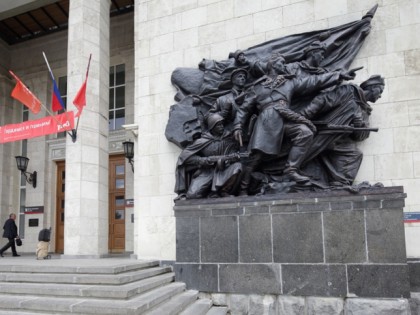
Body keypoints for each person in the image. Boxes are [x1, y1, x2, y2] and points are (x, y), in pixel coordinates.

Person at [233, 53, 356, 195]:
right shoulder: (258, 87)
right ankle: (243, 187)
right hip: (267, 122)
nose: (283, 65)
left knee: (305, 132)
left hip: (285, 118)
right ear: (272, 65)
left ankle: (291, 169)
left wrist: (338, 76)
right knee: (255, 158)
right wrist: (237, 126)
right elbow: (244, 109)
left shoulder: (289, 83)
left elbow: (313, 81)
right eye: (280, 62)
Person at [298, 75, 385, 186]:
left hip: (339, 139)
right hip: (325, 132)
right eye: (380, 91)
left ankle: (339, 183)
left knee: (355, 154)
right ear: (373, 87)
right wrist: (306, 114)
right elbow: (325, 99)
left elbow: (361, 136)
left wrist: (359, 125)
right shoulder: (349, 91)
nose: (380, 95)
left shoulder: (365, 110)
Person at [175, 113, 243, 199]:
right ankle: (209, 194)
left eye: (222, 124)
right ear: (212, 127)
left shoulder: (228, 138)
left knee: (237, 166)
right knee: (192, 195)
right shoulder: (202, 141)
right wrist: (204, 160)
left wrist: (233, 158)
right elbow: (184, 157)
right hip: (206, 172)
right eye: (218, 125)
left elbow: (232, 152)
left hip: (224, 170)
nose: (221, 126)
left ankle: (224, 191)